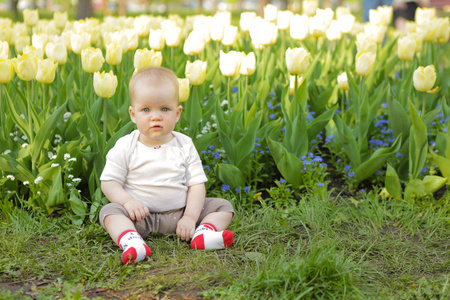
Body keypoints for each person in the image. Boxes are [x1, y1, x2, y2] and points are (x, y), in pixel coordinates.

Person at [99, 66, 234, 264]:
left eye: (164, 109)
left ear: (177, 113)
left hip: (179, 216)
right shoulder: (126, 146)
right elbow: (109, 181)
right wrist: (128, 202)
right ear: (133, 114)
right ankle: (132, 241)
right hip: (139, 218)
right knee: (110, 211)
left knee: (222, 206)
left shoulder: (184, 144)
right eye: (146, 110)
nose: (156, 116)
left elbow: (196, 185)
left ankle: (203, 234)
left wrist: (189, 217)